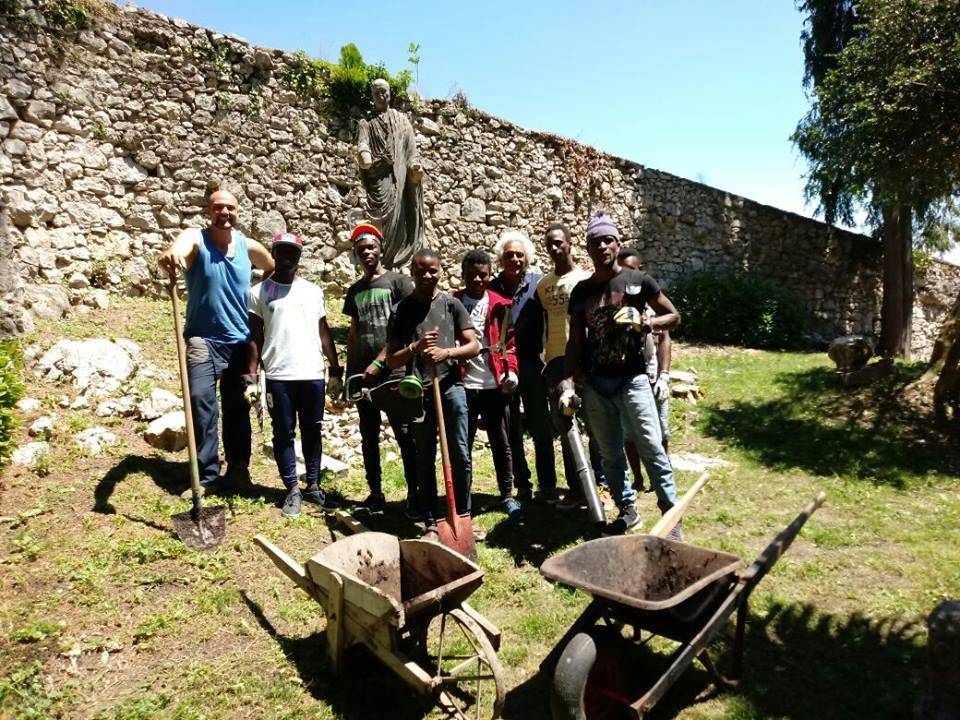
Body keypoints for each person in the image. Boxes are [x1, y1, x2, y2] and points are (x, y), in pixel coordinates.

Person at [563, 214, 681, 536]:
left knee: (653, 448)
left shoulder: (639, 281)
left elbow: (673, 316)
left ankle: (671, 517)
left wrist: (647, 323)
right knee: (609, 454)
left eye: (607, 240)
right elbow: (575, 341)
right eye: (595, 241)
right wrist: (568, 380)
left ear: (617, 242)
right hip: (596, 384)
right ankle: (628, 510)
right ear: (587, 248)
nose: (602, 245)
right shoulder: (582, 291)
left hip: (633, 379)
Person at [157, 189, 274, 496]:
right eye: (218, 207)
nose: (224, 212)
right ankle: (207, 475)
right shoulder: (196, 237)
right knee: (200, 402)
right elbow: (181, 248)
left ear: (237, 212)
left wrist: (260, 295)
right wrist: (174, 256)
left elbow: (273, 267)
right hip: (202, 339)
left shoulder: (247, 247)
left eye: (230, 208)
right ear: (209, 211)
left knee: (237, 407)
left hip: (240, 342)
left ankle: (238, 471)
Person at [385, 249, 481, 538]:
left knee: (460, 454)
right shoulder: (401, 310)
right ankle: (430, 520)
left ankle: (462, 515)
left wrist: (446, 353)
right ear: (412, 273)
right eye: (421, 271)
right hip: (418, 391)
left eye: (433, 270)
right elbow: (391, 359)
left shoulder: (452, 305)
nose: (427, 276)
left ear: (441, 270)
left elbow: (474, 346)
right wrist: (415, 348)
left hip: (451, 387)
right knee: (424, 456)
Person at [247, 233, 343, 516]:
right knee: (283, 433)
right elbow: (255, 339)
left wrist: (335, 369)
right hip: (278, 375)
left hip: (311, 373)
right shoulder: (258, 293)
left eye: (293, 252)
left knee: (313, 430)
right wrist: (251, 377)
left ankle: (312, 486)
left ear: (300, 256)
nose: (287, 257)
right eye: (282, 251)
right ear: (274, 253)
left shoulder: (313, 291)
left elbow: (323, 331)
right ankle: (291, 489)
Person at [343, 222, 420, 517]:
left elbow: (405, 328)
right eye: (361, 249)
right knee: (368, 434)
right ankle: (375, 493)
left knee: (404, 432)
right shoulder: (354, 291)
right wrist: (348, 374)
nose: (367, 253)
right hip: (363, 377)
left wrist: (381, 361)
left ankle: (414, 494)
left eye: (371, 247)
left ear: (381, 249)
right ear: (356, 254)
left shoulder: (399, 283)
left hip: (393, 371)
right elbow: (353, 333)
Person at [537, 223, 607, 509]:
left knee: (595, 424)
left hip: (585, 361)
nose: (555, 248)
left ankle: (602, 486)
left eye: (559, 243)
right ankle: (577, 488)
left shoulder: (586, 280)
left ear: (569, 243)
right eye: (549, 244)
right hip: (556, 362)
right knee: (566, 425)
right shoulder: (543, 286)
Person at [489, 230, 558, 505]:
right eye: (509, 255)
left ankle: (548, 485)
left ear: (526, 257)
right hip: (502, 366)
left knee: (541, 426)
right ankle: (522, 484)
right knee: (511, 428)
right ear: (501, 259)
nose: (514, 259)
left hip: (532, 363)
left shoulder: (538, 285)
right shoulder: (492, 288)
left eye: (519, 254)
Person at [453, 250, 521, 519]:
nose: (478, 280)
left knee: (500, 441)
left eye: (483, 275)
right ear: (463, 275)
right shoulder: (452, 302)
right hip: (463, 384)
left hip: (493, 384)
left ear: (490, 274)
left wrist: (511, 372)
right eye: (472, 275)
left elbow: (510, 345)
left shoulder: (501, 305)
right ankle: (462, 498)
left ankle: (507, 494)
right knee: (462, 443)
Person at [617, 246, 672, 491]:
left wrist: (664, 375)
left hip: (652, 376)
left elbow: (665, 339)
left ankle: (662, 477)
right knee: (629, 433)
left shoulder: (650, 302)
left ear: (641, 270)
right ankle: (637, 478)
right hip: (628, 378)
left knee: (660, 430)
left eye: (633, 270)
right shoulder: (614, 304)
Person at [356, 79, 425, 269]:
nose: (381, 95)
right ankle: (380, 264)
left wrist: (415, 167)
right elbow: (363, 144)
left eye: (384, 91)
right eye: (377, 92)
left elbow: (412, 152)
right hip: (378, 180)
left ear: (390, 94)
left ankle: (397, 262)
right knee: (380, 221)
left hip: (399, 180)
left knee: (399, 220)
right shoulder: (366, 123)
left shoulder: (402, 122)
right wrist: (364, 155)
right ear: (372, 96)